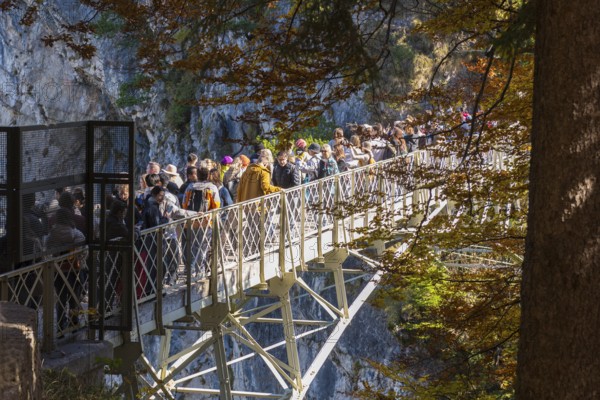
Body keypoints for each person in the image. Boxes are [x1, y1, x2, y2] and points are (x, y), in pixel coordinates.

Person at [46, 208, 86, 332]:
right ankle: (74, 322)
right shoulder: (77, 234)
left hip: (58, 270)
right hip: (74, 270)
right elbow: (82, 252)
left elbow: (47, 249)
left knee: (61, 297)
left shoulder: (51, 235)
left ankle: (60, 325)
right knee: (74, 296)